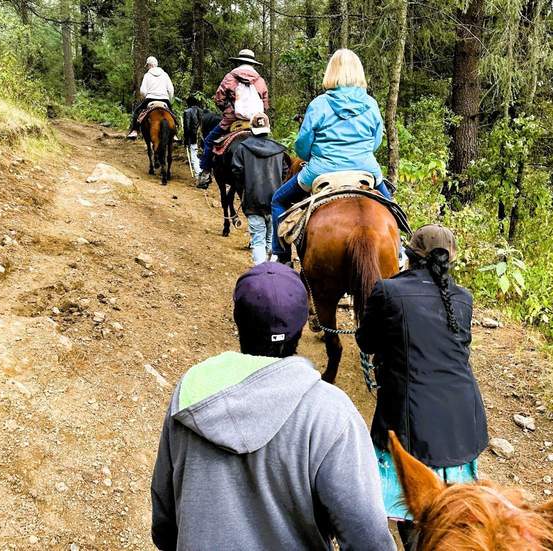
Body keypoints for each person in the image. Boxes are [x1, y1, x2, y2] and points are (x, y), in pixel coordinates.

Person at [151, 262, 396, 551]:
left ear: (237, 318)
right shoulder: (331, 412)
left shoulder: (191, 390)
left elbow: (164, 520)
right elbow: (368, 537)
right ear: (304, 324)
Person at [355, 224, 489, 549]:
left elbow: (366, 340)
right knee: (453, 510)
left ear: (410, 255)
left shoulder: (387, 291)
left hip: (411, 423)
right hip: (463, 420)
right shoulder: (464, 299)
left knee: (417, 517)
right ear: (451, 260)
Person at [271, 49, 392, 264]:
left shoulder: (319, 104)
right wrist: (360, 153)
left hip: (321, 171)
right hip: (365, 170)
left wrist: (314, 155)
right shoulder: (371, 104)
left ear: (331, 72)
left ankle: (282, 257)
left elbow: (302, 145)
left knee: (278, 200)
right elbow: (376, 142)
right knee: (392, 208)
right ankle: (399, 254)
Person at [196, 49, 269, 188]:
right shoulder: (260, 81)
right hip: (256, 123)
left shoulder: (230, 77)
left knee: (209, 141)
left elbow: (219, 99)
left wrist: (227, 110)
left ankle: (205, 174)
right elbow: (265, 105)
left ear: (238, 62)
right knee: (269, 144)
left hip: (232, 120)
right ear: (253, 64)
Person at [231, 113, 288, 265]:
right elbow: (284, 173)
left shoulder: (242, 148)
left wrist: (244, 191)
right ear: (268, 129)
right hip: (275, 201)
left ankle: (260, 271)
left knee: (257, 239)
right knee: (271, 238)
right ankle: (270, 269)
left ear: (252, 128)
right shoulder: (279, 150)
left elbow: (236, 173)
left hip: (252, 200)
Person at [127, 56, 174, 139]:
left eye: (147, 65)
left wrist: (145, 97)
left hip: (150, 99)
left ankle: (135, 131)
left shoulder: (147, 75)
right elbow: (171, 90)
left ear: (149, 65)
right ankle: (174, 134)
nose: (147, 67)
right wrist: (169, 100)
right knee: (173, 115)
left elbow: (143, 91)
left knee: (137, 111)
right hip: (164, 99)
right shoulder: (165, 74)